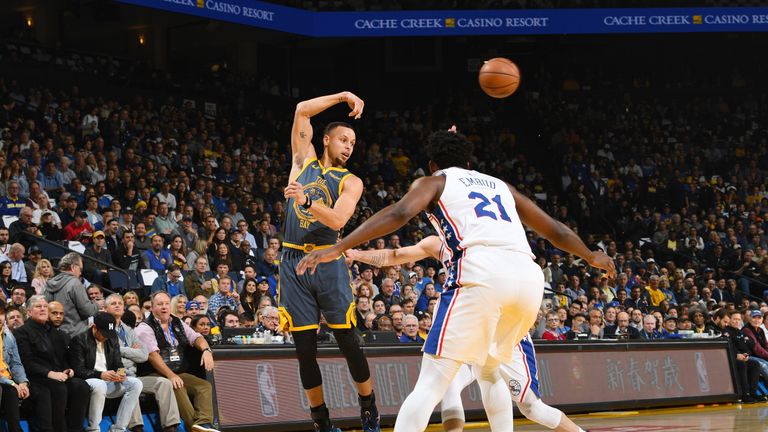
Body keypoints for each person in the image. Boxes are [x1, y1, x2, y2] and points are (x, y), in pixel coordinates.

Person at [300, 128, 615, 432]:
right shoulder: (501, 186)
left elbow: (399, 213)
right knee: (490, 368)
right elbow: (555, 230)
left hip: (481, 272)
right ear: (468, 162)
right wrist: (590, 255)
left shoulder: (435, 181)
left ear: (433, 165)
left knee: (431, 382)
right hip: (528, 279)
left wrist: (340, 246)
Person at [344, 237, 587, 432]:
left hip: (494, 319)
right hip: (468, 316)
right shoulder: (452, 240)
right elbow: (394, 255)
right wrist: (357, 254)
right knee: (448, 384)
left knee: (529, 405)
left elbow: (395, 255)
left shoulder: (494, 241)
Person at [278, 91, 379, 432]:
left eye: (353, 142)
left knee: (348, 341)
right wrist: (343, 96)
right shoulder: (302, 161)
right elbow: (301, 110)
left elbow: (337, 221)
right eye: (343, 139)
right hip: (293, 261)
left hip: (328, 260)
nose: (349, 147)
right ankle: (321, 421)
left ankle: (369, 407)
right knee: (305, 350)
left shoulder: (351, 181)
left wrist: (306, 201)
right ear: (326, 140)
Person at [134, 291, 218, 432]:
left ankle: (203, 423)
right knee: (177, 386)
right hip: (154, 372)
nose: (164, 307)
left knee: (203, 386)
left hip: (177, 370)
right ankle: (193, 427)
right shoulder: (145, 328)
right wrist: (171, 375)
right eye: (160, 304)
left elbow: (196, 337)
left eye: (167, 303)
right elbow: (153, 356)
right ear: (152, 307)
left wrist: (206, 351)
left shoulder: (176, 321)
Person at [15, 295, 90, 432]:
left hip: (57, 375)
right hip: (36, 377)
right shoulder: (22, 332)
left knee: (81, 386)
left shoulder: (54, 331)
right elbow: (26, 361)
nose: (43, 309)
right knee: (57, 388)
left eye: (45, 306)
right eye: (38, 307)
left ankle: (75, 428)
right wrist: (50, 373)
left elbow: (62, 357)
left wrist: (68, 368)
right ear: (29, 312)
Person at [69, 312, 143, 432]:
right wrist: (100, 375)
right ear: (94, 327)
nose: (106, 337)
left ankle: (119, 428)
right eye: (103, 333)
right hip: (88, 380)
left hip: (108, 379)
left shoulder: (112, 339)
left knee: (136, 383)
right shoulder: (79, 340)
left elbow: (118, 363)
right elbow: (78, 370)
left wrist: (121, 373)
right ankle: (93, 429)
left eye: (109, 333)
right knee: (100, 384)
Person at [43, 252, 100, 337]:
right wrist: (97, 305)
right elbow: (87, 311)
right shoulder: (75, 283)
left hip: (54, 334)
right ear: (73, 267)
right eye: (80, 269)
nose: (80, 273)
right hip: (75, 335)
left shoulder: (49, 283)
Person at [0, 302, 30, 432]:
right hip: (5, 382)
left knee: (14, 391)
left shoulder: (8, 335)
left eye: (1, 314)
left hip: (8, 382)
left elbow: (16, 363)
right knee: (9, 390)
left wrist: (22, 382)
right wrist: (12, 384)